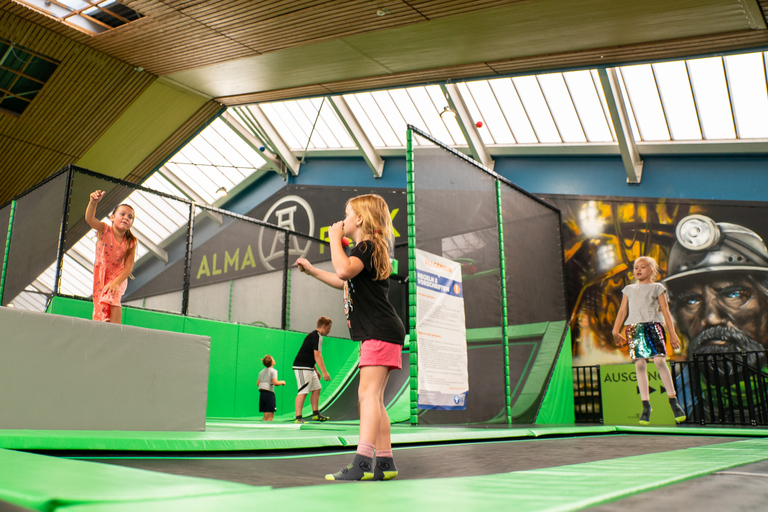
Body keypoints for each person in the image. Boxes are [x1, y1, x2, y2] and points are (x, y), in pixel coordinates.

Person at [296, 193, 405, 482]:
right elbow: (340, 278)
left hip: (379, 332)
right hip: (384, 331)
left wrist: (334, 238)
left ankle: (361, 462)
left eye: (346, 215)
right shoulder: (367, 249)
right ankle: (384, 461)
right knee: (376, 399)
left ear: (359, 219)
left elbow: (342, 270)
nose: (342, 221)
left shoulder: (367, 246)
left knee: (366, 396)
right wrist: (312, 271)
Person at [612, 256, 687, 425]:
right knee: (639, 364)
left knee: (660, 361)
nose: (638, 270)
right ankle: (646, 405)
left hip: (653, 326)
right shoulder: (629, 289)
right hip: (634, 328)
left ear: (652, 270)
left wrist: (673, 334)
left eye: (643, 267)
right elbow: (622, 310)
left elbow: (666, 311)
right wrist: (615, 330)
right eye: (636, 267)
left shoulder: (657, 287)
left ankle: (673, 401)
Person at [85, 190, 137, 323]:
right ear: (112, 217)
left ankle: (115, 327)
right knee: (101, 306)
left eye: (130, 217)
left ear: (132, 223)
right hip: (102, 274)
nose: (126, 218)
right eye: (122, 214)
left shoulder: (131, 241)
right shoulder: (104, 229)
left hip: (119, 276)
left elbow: (128, 268)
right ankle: (105, 326)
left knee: (113, 298)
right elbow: (90, 219)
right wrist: (93, 203)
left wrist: (116, 282)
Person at [292, 316, 332, 424]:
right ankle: (298, 417)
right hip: (302, 366)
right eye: (329, 328)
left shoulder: (314, 336)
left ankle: (315, 414)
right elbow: (317, 355)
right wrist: (324, 372)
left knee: (316, 388)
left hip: (309, 366)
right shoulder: (317, 336)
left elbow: (309, 354)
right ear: (324, 326)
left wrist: (316, 370)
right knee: (303, 390)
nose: (329, 331)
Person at [257, 354, 285, 421]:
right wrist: (282, 382)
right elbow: (275, 382)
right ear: (272, 362)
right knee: (271, 414)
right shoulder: (273, 371)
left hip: (262, 393)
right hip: (269, 393)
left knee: (266, 413)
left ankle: (263, 425)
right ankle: (268, 428)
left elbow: (258, 383)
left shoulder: (261, 372)